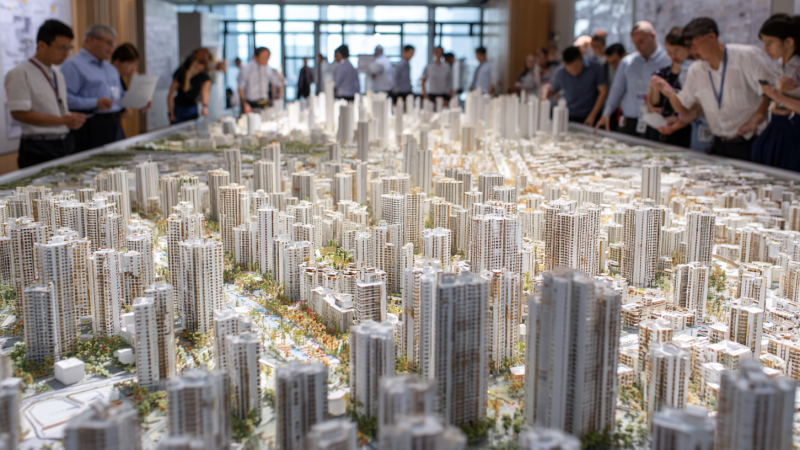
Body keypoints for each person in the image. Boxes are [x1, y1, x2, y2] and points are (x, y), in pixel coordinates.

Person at [652, 17, 773, 160]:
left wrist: (756, 120)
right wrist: (669, 92)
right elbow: (684, 108)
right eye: (689, 46)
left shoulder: (746, 56)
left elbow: (770, 92)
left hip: (750, 141)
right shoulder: (696, 69)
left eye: (694, 44)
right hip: (718, 142)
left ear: (711, 37)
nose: (692, 50)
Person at [5, 19, 85, 168]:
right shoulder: (20, 73)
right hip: (38, 147)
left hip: (63, 142)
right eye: (61, 48)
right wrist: (63, 120)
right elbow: (19, 113)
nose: (66, 54)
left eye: (69, 48)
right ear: (42, 45)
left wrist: (70, 118)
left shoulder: (58, 75)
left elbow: (56, 108)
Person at [595, 21, 671, 135]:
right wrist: (606, 113)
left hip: (657, 123)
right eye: (635, 43)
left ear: (653, 36)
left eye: (641, 42)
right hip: (629, 122)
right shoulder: (627, 62)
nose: (638, 47)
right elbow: (617, 90)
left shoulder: (668, 61)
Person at [61, 23, 124, 152]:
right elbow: (64, 99)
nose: (112, 49)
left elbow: (118, 94)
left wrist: (139, 98)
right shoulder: (73, 65)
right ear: (91, 40)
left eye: (114, 44)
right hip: (89, 126)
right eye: (108, 43)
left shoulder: (110, 68)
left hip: (113, 122)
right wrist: (95, 102)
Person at [750, 14, 800, 170]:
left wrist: (778, 96)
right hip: (777, 127)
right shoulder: (779, 65)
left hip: (794, 132)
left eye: (770, 43)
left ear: (789, 42)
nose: (765, 49)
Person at [645, 28, 694, 148]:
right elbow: (652, 103)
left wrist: (676, 123)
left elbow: (694, 108)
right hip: (659, 128)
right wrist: (655, 89)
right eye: (668, 51)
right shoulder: (661, 74)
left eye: (676, 51)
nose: (672, 56)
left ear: (686, 48)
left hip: (683, 132)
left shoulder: (692, 73)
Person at [547, 46, 608, 126]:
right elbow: (553, 90)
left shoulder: (596, 68)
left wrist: (593, 115)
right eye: (569, 69)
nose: (574, 71)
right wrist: (547, 93)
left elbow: (603, 92)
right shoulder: (560, 72)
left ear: (581, 59)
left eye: (576, 67)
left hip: (592, 114)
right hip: (570, 115)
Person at [238, 47, 284, 113]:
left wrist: (279, 76)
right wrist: (244, 103)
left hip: (264, 103)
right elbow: (240, 88)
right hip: (251, 104)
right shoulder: (247, 69)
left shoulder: (268, 68)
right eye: (264, 57)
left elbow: (278, 82)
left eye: (268, 57)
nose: (267, 60)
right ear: (255, 57)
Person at [168, 54, 211, 124]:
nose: (197, 71)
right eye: (196, 68)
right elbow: (170, 94)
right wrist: (171, 113)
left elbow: (205, 91)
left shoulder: (203, 75)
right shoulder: (180, 73)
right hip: (179, 107)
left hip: (192, 107)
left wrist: (205, 106)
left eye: (200, 69)